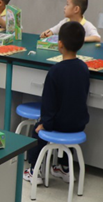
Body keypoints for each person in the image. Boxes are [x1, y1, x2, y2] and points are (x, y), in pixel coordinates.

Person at [24, 21, 90, 185]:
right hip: (78, 124)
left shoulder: (55, 71)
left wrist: (44, 124)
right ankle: (64, 168)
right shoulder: (84, 68)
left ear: (59, 44)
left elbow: (49, 104)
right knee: (65, 126)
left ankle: (34, 171)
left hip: (58, 123)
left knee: (37, 130)